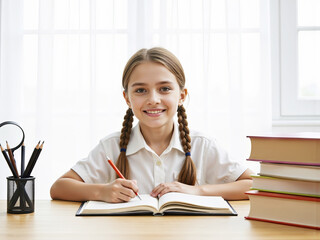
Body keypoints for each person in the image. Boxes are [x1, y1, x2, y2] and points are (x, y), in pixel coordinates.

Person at [50, 47, 253, 203]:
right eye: (140, 91)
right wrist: (102, 191)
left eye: (164, 88)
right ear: (127, 98)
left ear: (181, 96)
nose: (153, 99)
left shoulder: (203, 145)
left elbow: (255, 185)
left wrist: (197, 191)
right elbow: (59, 187)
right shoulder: (111, 146)